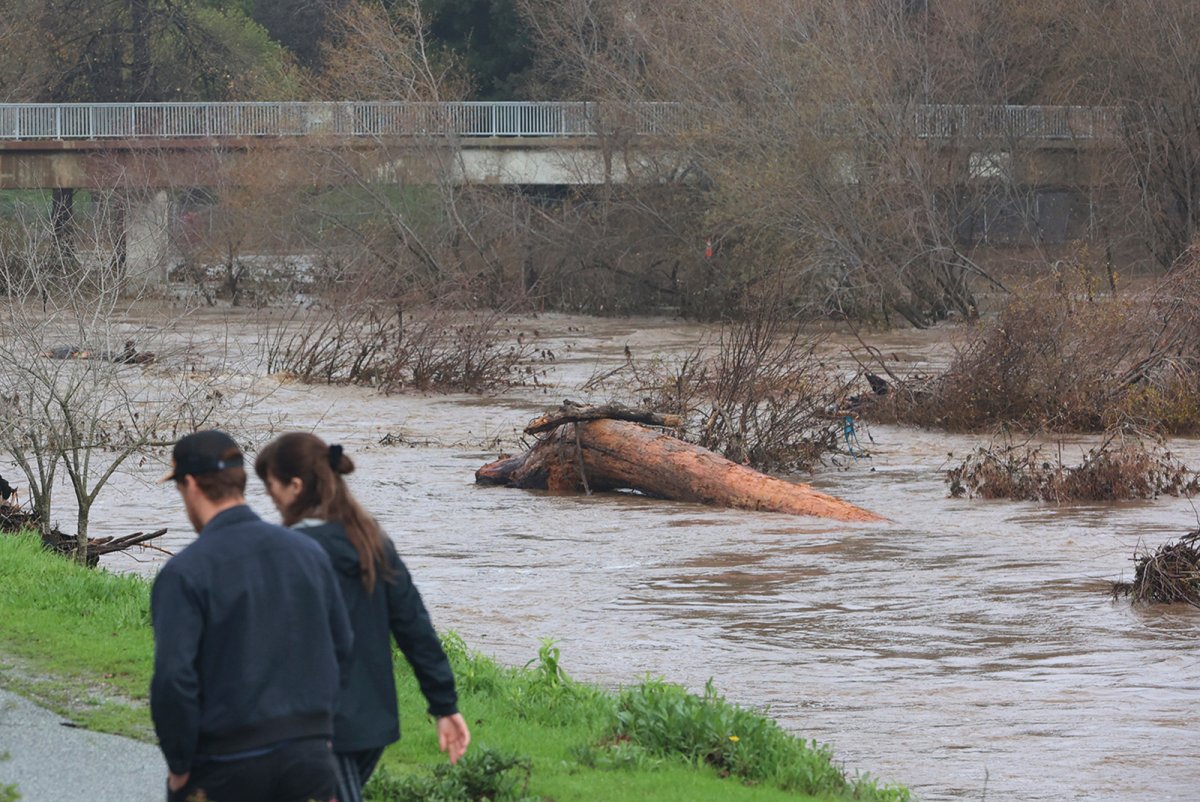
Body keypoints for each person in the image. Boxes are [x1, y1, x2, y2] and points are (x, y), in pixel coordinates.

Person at [254, 432, 470, 802]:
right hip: (371, 725)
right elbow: (415, 627)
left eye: (270, 485)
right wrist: (444, 705)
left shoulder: (288, 552)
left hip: (316, 727)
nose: (270, 496)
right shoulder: (371, 542)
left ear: (295, 486)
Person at [151, 430, 353, 802]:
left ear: (190, 484)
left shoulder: (185, 573)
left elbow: (173, 681)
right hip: (309, 761)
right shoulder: (308, 553)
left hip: (225, 763)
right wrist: (318, 738)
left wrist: (180, 766)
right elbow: (341, 646)